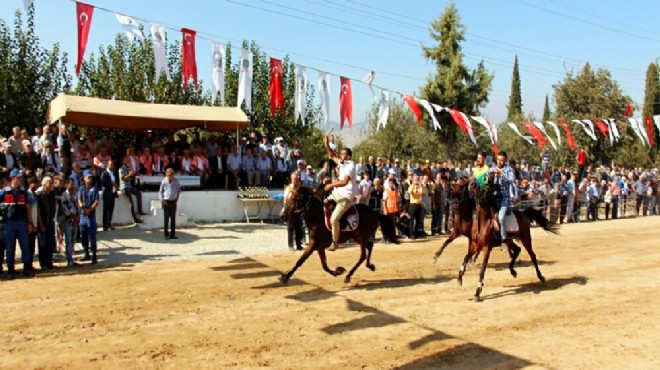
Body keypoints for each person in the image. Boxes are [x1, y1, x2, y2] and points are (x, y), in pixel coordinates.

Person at [322, 135, 356, 252]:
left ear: (349, 156)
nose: (341, 156)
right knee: (322, 205)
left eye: (344, 154)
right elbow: (332, 155)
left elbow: (344, 182)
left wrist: (331, 185)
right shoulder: (342, 163)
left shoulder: (350, 166)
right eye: (341, 154)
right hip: (337, 194)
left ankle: (335, 242)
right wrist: (327, 145)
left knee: (334, 219)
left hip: (346, 197)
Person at [0, 169, 34, 278]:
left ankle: (27, 268)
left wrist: (29, 222)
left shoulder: (23, 192)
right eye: (18, 177)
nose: (20, 179)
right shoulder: (4, 192)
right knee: (10, 247)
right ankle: (11, 269)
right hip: (9, 223)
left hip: (21, 222)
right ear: (13, 178)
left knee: (25, 245)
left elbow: (27, 208)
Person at [489, 151, 517, 245]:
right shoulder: (493, 168)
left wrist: (501, 173)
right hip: (493, 197)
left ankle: (504, 240)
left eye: (502, 160)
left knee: (501, 218)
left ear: (505, 161)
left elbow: (512, 180)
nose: (499, 162)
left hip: (504, 198)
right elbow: (486, 175)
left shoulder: (509, 169)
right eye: (498, 160)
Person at [78, 170, 99, 264]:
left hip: (90, 215)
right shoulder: (81, 188)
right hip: (83, 214)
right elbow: (79, 200)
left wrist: (89, 210)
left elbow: (96, 202)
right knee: (83, 234)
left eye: (90, 177)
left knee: (92, 235)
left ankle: (94, 254)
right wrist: (83, 207)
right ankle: (86, 252)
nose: (90, 179)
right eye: (88, 177)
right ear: (84, 178)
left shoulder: (94, 188)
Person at [36, 176, 56, 270]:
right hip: (42, 222)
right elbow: (38, 211)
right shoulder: (39, 195)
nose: (51, 185)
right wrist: (41, 224)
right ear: (44, 184)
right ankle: (43, 264)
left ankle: (49, 262)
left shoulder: (52, 194)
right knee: (43, 244)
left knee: (50, 242)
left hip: (50, 222)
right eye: (49, 183)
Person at [119, 156, 147, 223]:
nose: (127, 162)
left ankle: (140, 211)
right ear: (123, 161)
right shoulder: (121, 169)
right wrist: (129, 175)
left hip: (129, 186)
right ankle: (135, 218)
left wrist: (132, 175)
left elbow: (130, 179)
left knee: (138, 193)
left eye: (127, 160)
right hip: (124, 187)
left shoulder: (128, 168)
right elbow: (123, 179)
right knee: (131, 202)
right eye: (125, 160)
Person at [61, 178, 79, 267]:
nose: (72, 186)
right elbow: (65, 209)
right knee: (68, 240)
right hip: (68, 221)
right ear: (66, 185)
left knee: (72, 240)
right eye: (70, 184)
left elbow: (77, 206)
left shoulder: (75, 195)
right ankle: (69, 260)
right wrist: (73, 217)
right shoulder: (64, 196)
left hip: (75, 220)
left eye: (73, 184)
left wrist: (78, 216)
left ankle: (71, 258)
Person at [159, 168, 182, 240]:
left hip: (173, 202)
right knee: (166, 219)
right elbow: (160, 192)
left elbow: (179, 189)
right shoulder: (164, 181)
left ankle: (172, 234)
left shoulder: (176, 181)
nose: (170, 176)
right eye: (169, 174)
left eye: (172, 174)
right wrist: (162, 200)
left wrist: (177, 197)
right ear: (166, 174)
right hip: (166, 202)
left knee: (173, 219)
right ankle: (166, 234)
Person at [284, 171, 304, 250]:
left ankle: (299, 244)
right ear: (292, 179)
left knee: (299, 227)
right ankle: (290, 245)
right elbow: (285, 199)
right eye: (294, 179)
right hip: (291, 209)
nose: (296, 180)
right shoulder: (288, 188)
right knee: (290, 227)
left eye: (297, 179)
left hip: (298, 209)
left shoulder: (300, 187)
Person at [101, 160, 117, 231]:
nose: (112, 166)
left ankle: (109, 224)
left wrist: (115, 185)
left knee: (111, 209)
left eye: (112, 164)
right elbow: (103, 183)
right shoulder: (105, 174)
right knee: (106, 210)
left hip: (113, 193)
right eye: (110, 164)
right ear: (107, 165)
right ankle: (105, 226)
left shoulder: (113, 173)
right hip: (107, 194)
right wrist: (112, 184)